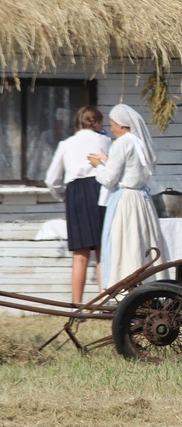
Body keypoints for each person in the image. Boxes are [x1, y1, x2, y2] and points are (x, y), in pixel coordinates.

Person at [87, 104, 169, 289]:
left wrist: (97, 165)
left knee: (127, 244)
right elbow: (130, 170)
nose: (112, 128)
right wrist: (107, 160)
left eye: (113, 124)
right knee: (141, 243)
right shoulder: (139, 142)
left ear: (122, 125)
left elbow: (109, 179)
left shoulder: (122, 143)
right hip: (141, 200)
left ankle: (128, 288)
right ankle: (149, 285)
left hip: (126, 202)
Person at [44, 106, 112, 303]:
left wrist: (64, 195)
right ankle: (103, 303)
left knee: (80, 255)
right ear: (97, 122)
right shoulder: (106, 141)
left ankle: (76, 305)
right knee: (101, 252)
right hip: (101, 190)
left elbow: (51, 179)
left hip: (76, 193)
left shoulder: (67, 143)